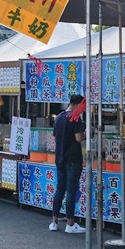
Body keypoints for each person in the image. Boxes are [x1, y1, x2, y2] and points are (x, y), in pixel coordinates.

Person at [50, 94, 86, 234]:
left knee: (60, 189)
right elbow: (78, 138)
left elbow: (55, 136)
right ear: (78, 105)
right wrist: (87, 133)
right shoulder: (76, 117)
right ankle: (70, 223)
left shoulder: (58, 117)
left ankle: (54, 221)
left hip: (59, 158)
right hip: (73, 159)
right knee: (71, 191)